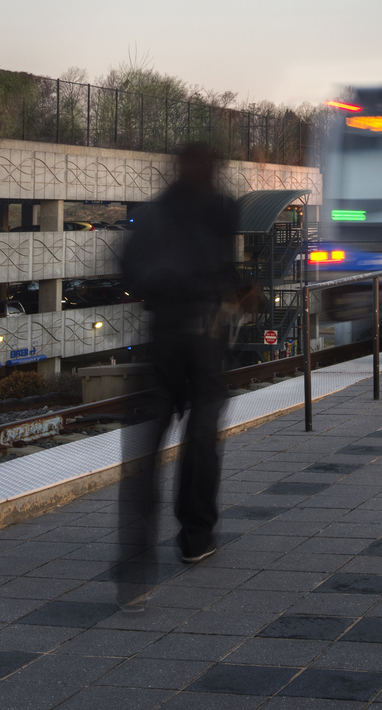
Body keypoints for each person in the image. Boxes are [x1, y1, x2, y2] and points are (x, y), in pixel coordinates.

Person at [122, 141, 250, 564]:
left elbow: (130, 269)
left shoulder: (154, 212)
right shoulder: (221, 208)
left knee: (146, 444)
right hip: (205, 336)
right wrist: (240, 290)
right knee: (202, 438)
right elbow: (222, 266)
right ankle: (196, 537)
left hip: (161, 336)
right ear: (212, 169)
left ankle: (137, 548)